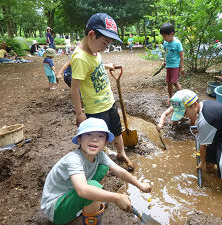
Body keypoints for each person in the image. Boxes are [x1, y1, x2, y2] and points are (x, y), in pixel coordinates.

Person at [41, 118, 151, 225]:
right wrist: (117, 198)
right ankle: (92, 205)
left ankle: (89, 203)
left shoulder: (100, 155)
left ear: (106, 142)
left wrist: (140, 185)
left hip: (70, 194)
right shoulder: (73, 159)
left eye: (100, 136)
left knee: (103, 169)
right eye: (88, 135)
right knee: (92, 186)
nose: (94, 139)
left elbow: (119, 171)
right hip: (55, 210)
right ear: (79, 139)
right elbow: (82, 190)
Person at [70, 13, 134, 170]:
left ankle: (121, 153)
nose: (106, 48)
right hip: (95, 109)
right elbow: (75, 87)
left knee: (117, 130)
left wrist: (107, 65)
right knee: (97, 138)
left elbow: (94, 66)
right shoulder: (79, 58)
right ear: (92, 35)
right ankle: (96, 163)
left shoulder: (94, 51)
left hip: (109, 102)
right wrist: (79, 112)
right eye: (105, 43)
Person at [157, 89, 222, 195]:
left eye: (184, 112)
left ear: (194, 105)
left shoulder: (205, 120)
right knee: (210, 161)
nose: (184, 116)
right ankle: (212, 173)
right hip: (218, 128)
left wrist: (202, 162)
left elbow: (203, 146)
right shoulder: (202, 107)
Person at [160, 22, 185, 100]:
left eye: (164, 36)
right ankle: (171, 98)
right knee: (169, 83)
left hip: (175, 66)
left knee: (175, 82)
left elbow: (181, 55)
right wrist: (164, 61)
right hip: (168, 66)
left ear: (171, 34)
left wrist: (181, 67)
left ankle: (182, 98)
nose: (163, 38)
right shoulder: (165, 43)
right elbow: (165, 53)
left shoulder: (177, 43)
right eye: (162, 36)